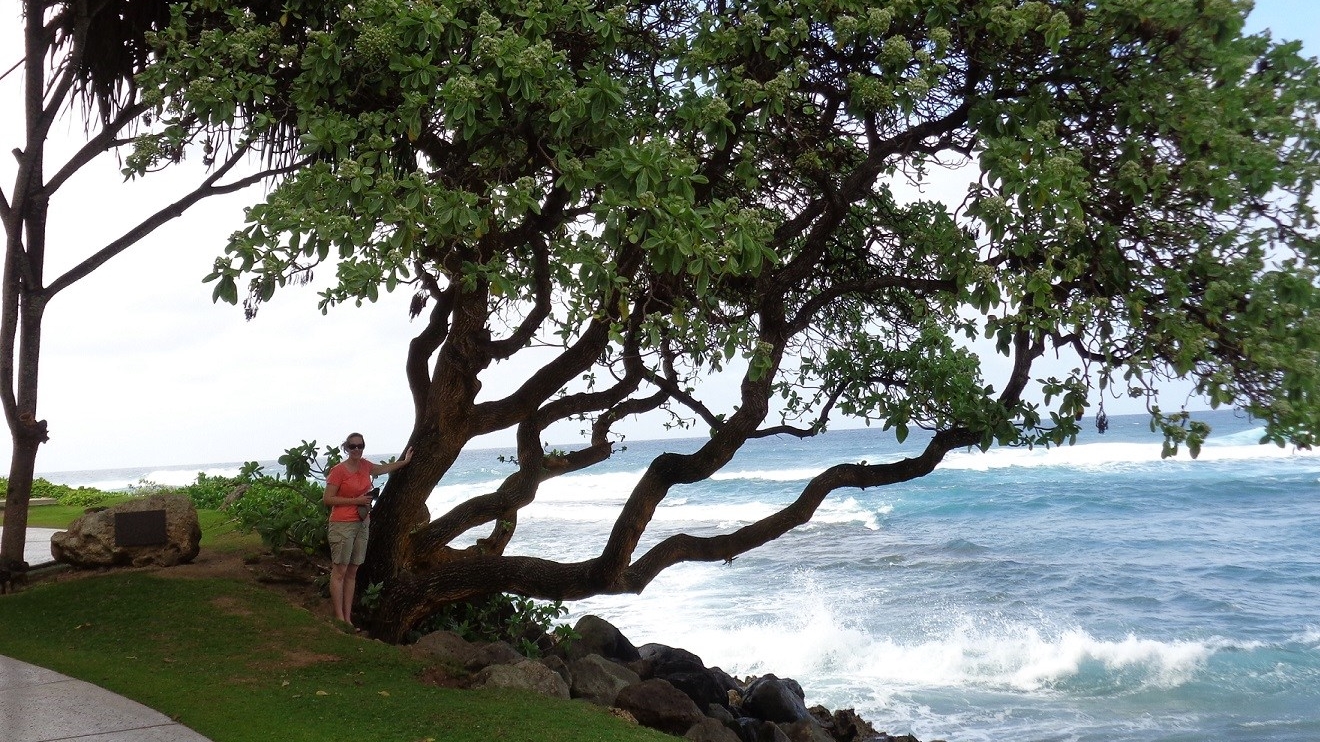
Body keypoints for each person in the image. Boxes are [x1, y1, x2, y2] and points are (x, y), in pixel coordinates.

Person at [323, 432, 413, 628]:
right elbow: (328, 499)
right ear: (346, 448)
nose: (357, 449)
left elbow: (383, 469)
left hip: (362, 523)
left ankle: (347, 618)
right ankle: (339, 617)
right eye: (353, 446)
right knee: (340, 571)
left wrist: (405, 462)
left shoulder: (365, 466)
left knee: (352, 571)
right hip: (342, 524)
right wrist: (356, 500)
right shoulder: (338, 471)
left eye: (360, 446)